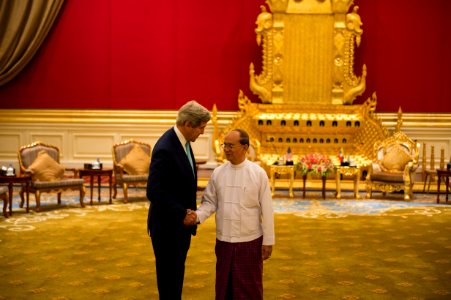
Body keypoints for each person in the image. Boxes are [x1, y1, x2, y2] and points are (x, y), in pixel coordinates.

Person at [187, 128, 275, 300]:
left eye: (230, 145)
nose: (226, 149)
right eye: (224, 145)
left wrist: (268, 241)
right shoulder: (218, 173)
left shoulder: (258, 174)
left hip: (250, 241)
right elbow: (210, 202)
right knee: (224, 288)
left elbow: (267, 209)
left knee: (250, 290)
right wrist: (197, 216)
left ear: (245, 147)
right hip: (224, 241)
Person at [146, 100, 211, 300]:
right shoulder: (166, 147)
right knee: (168, 279)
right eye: (201, 127)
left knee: (175, 277)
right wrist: (182, 213)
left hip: (178, 226)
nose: (202, 132)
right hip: (167, 227)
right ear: (188, 124)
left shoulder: (182, 142)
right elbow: (154, 191)